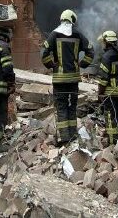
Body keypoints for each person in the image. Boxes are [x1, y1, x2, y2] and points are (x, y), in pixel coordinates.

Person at [41, 9, 95, 144]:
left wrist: (52, 65)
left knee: (61, 105)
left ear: (61, 19)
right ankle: (73, 134)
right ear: (72, 20)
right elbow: (90, 50)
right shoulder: (78, 34)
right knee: (72, 104)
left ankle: (65, 137)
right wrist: (82, 64)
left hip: (59, 79)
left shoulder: (54, 34)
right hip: (74, 78)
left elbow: (44, 52)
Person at [98, 30, 118, 144]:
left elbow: (103, 78)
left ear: (107, 42)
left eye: (104, 42)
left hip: (110, 91)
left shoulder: (106, 56)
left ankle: (113, 142)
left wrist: (100, 93)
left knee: (110, 116)